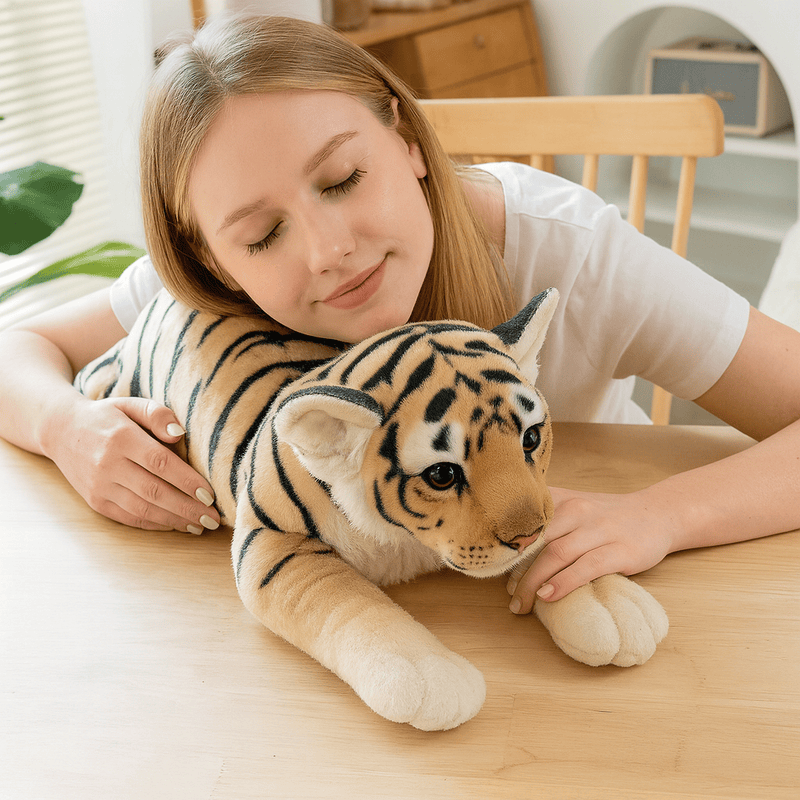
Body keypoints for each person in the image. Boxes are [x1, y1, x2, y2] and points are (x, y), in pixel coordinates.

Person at [1, 14, 799, 618]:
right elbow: (18, 346)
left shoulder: (568, 251)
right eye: (262, 235)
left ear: (407, 141)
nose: (327, 251)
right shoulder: (209, 289)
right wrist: (66, 427)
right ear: (213, 259)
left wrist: (660, 514)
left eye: (344, 178)